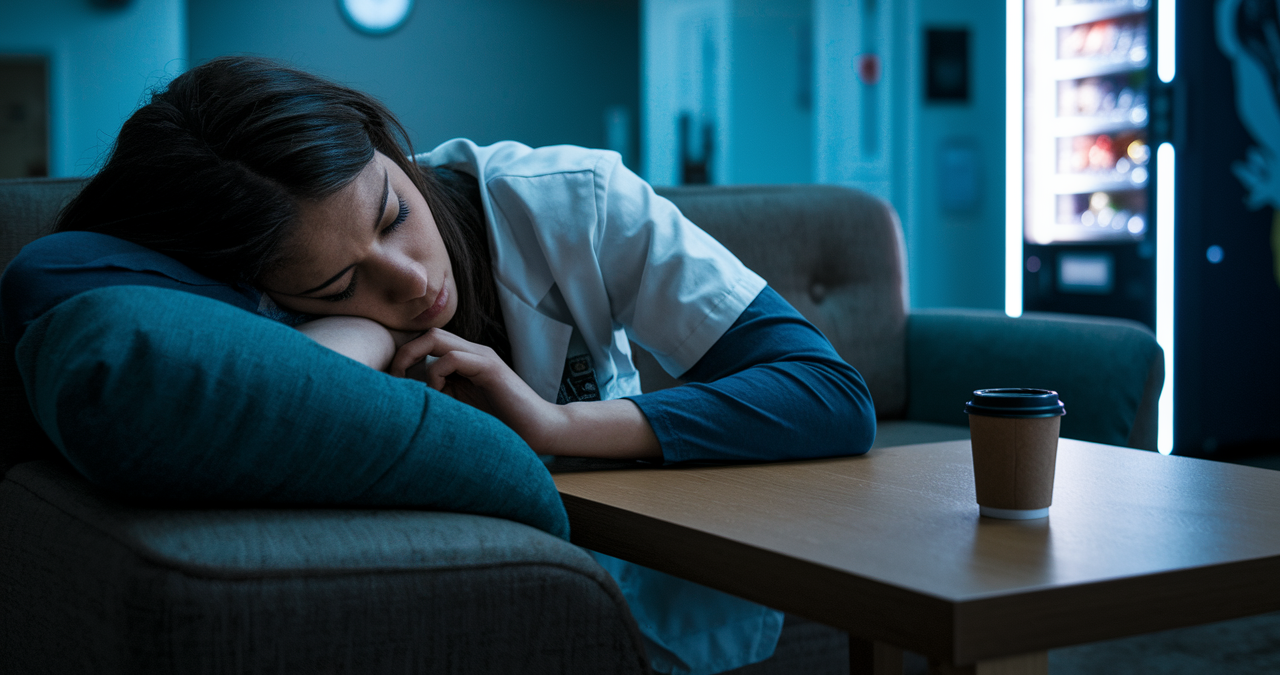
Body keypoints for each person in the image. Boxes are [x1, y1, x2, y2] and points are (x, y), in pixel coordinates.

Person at [1, 57, 875, 675]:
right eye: (343, 281)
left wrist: (555, 424)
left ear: (386, 144)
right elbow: (53, 271)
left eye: (392, 216)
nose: (413, 284)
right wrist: (367, 339)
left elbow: (828, 395)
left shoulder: (569, 201)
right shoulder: (245, 291)